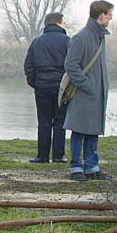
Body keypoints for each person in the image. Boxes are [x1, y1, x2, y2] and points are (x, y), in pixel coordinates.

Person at [64, 0, 114, 182]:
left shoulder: (100, 37)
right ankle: (76, 168)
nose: (111, 18)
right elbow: (70, 65)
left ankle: (92, 167)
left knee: (92, 130)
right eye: (109, 14)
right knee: (79, 130)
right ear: (101, 15)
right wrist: (87, 85)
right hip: (83, 94)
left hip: (97, 94)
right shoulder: (81, 37)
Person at [24, 13, 70, 163]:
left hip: (42, 85)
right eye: (64, 22)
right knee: (60, 121)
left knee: (43, 121)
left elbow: (28, 65)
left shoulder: (37, 42)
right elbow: (73, 64)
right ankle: (58, 156)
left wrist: (35, 82)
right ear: (57, 23)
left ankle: (42, 156)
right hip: (61, 87)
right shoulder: (67, 41)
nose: (65, 24)